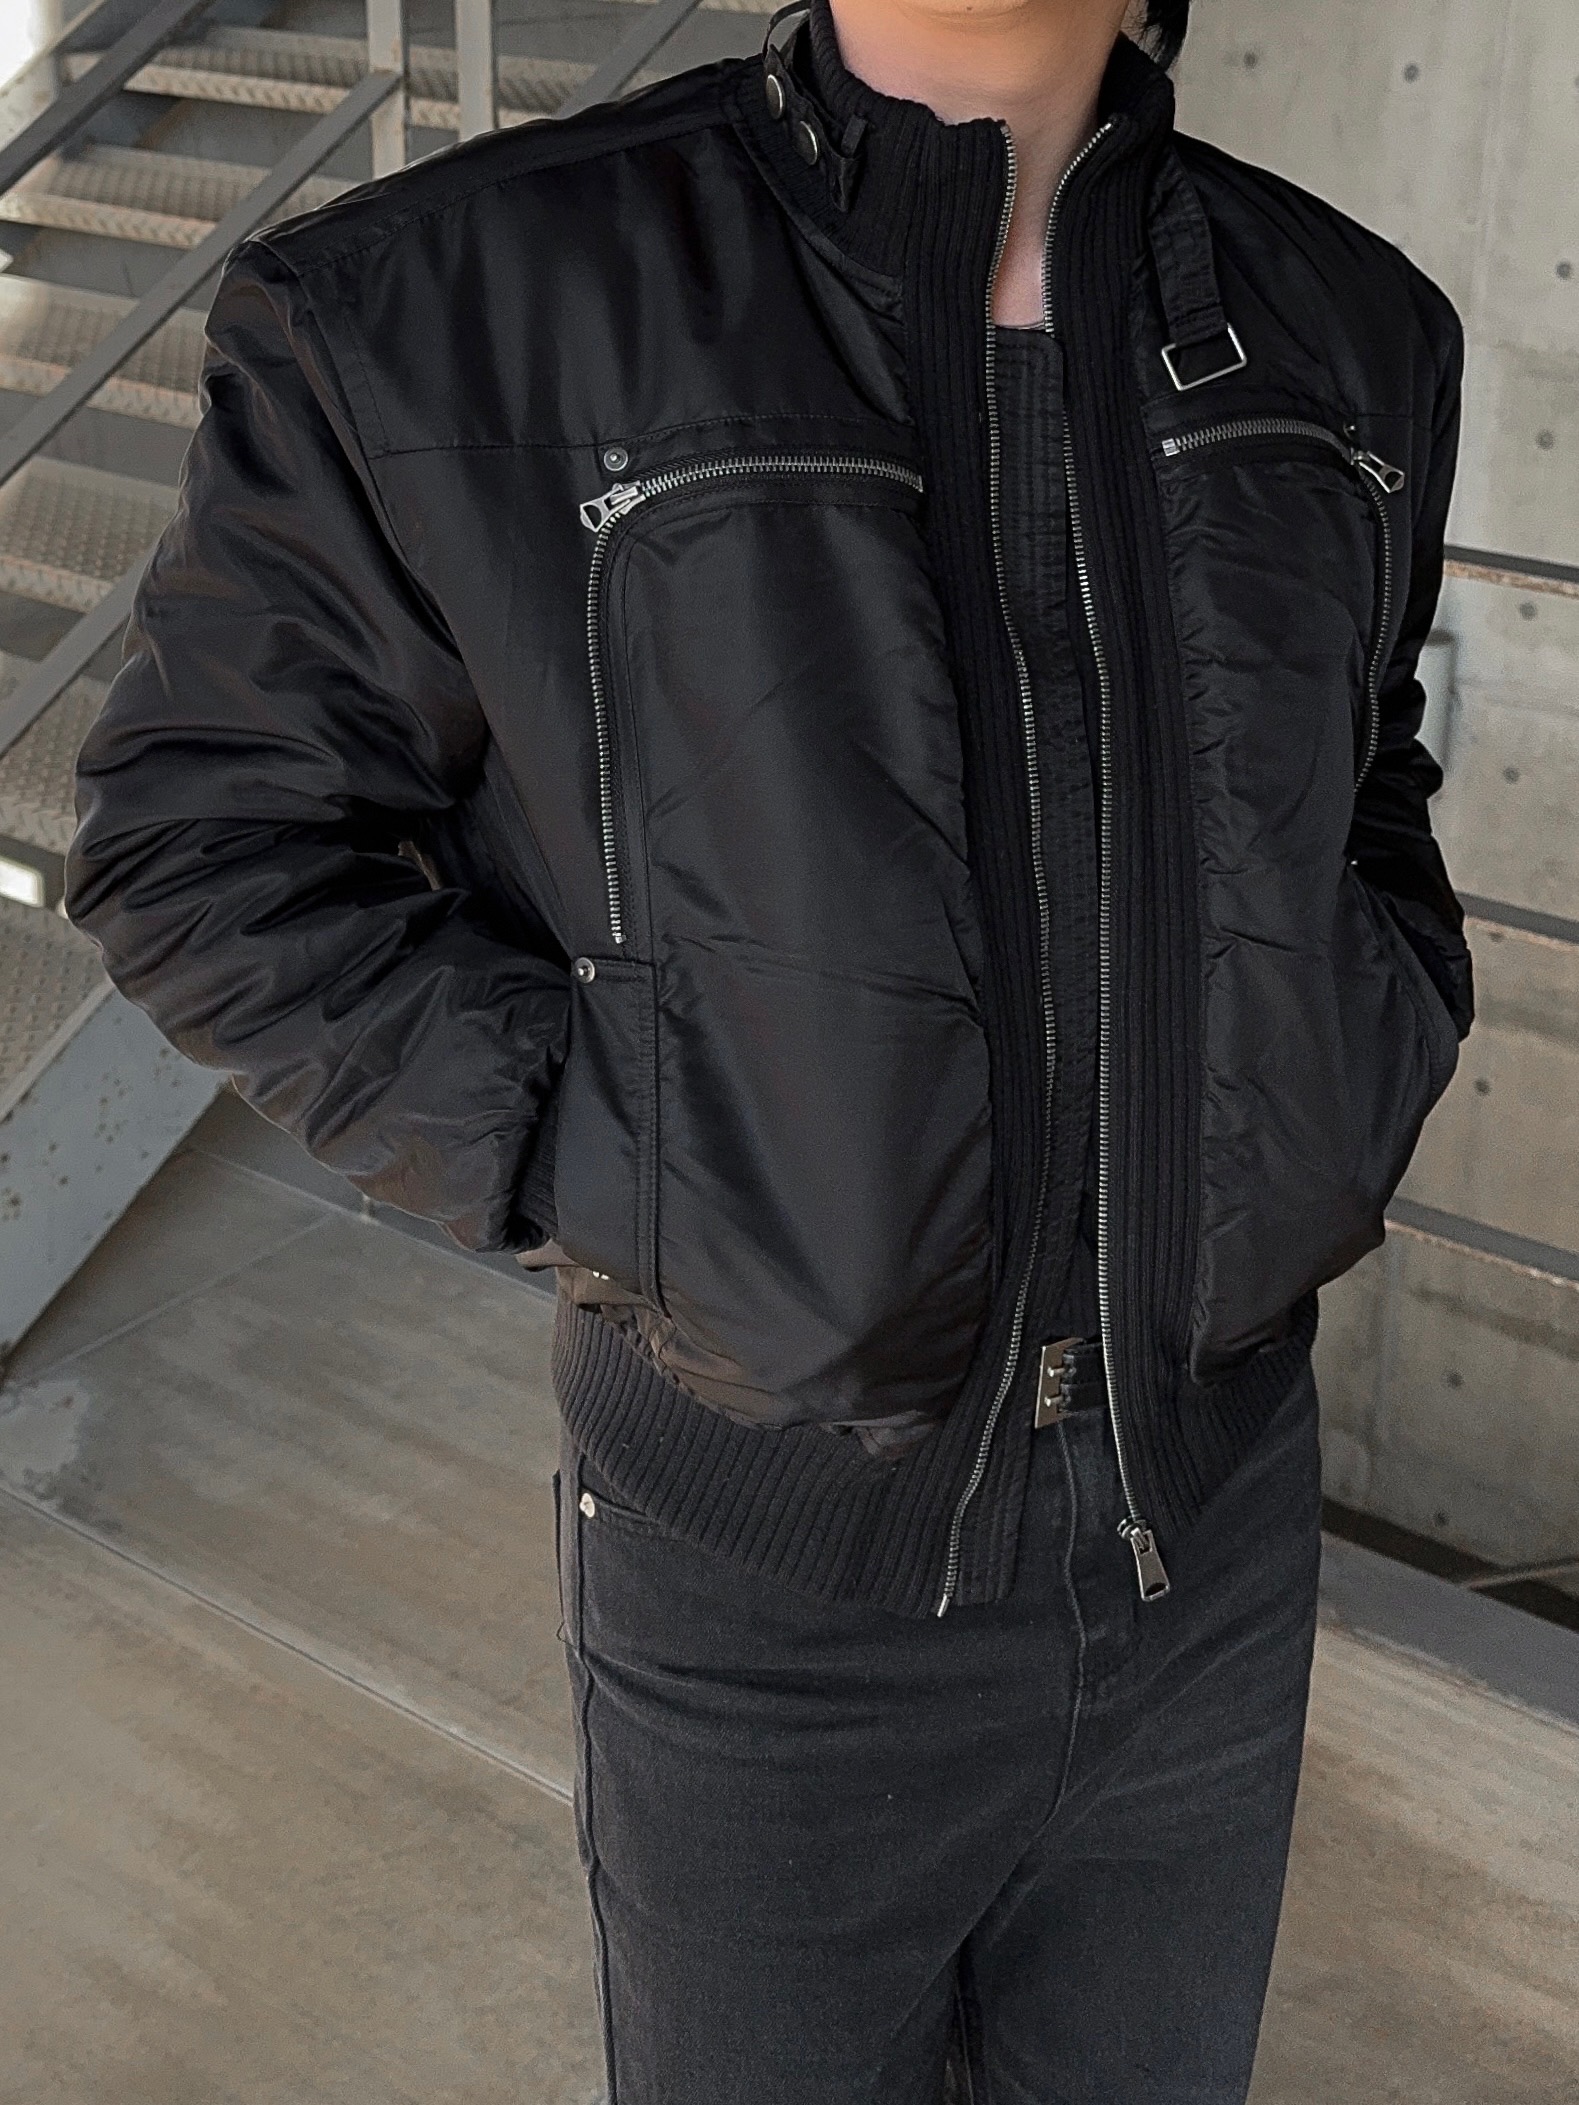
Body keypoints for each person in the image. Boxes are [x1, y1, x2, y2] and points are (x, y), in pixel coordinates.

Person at [66, 0, 1474, 2094]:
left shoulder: (1350, 327)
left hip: (1217, 1532)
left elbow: (1366, 778)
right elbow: (209, 847)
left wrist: (1368, 1041)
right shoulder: (444, 312)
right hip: (769, 1595)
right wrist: (632, 1169)